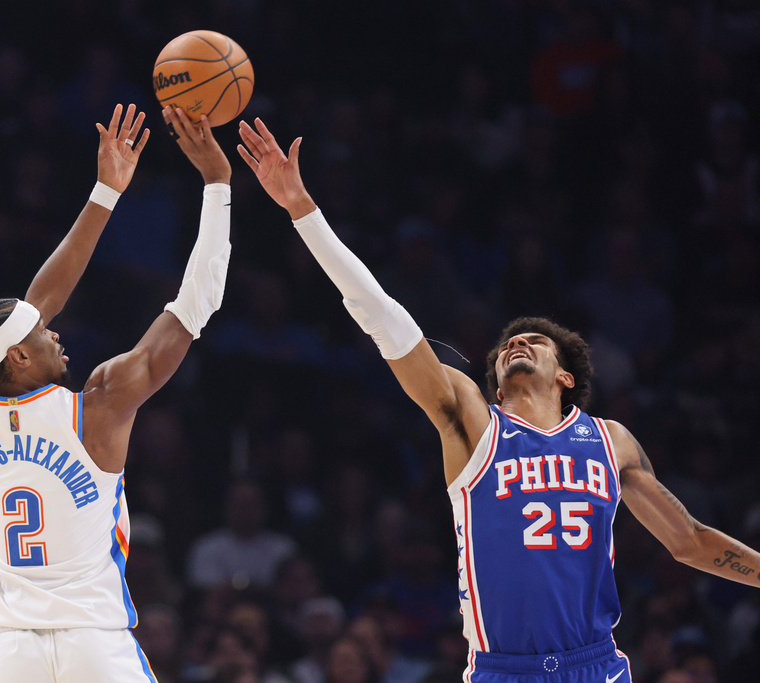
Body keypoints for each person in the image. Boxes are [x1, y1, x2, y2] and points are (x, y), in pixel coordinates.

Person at [236, 117, 760, 682]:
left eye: (536, 340)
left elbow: (689, 542)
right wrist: (303, 212)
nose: (517, 341)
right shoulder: (475, 425)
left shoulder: (611, 441)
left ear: (564, 377)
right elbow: (384, 318)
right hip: (503, 670)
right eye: (508, 343)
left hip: (597, 667)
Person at [0, 103, 232, 682]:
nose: (54, 328)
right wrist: (218, 185)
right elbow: (193, 308)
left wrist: (105, 192)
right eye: (40, 334)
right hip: (92, 645)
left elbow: (20, 324)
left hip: (10, 652)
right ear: (20, 356)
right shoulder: (96, 403)